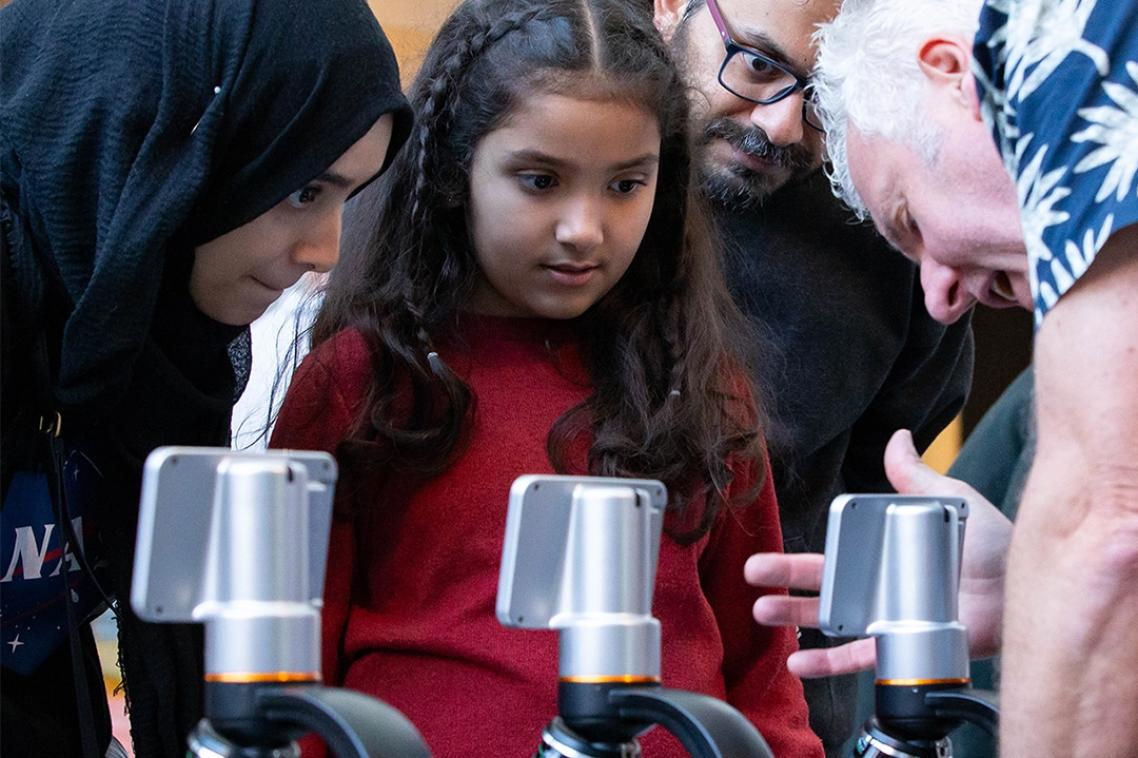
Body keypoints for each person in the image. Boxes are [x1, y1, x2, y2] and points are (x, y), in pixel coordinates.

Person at [269, 0, 822, 755]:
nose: (584, 228)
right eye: (540, 180)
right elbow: (285, 675)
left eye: (627, 185)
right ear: (456, 169)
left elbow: (764, 672)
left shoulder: (701, 385)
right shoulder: (361, 382)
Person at [0, 1, 411, 755]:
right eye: (303, 190)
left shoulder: (162, 347)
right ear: (155, 136)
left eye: (349, 199)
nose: (326, 250)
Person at [749, 0, 1138, 755]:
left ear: (955, 76)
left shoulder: (1065, 47)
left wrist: (1075, 554)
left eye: (912, 222)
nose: (938, 297)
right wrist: (1029, 575)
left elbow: (1110, 531)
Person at [646, 0, 974, 751]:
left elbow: (889, 470)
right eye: (758, 65)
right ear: (671, 7)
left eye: (825, 98)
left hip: (781, 699)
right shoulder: (545, 108)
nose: (781, 126)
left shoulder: (885, 212)